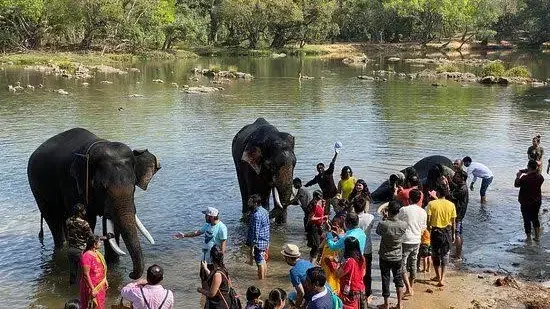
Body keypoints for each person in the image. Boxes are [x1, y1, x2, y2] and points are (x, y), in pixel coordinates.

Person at [174, 206, 228, 280]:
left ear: (211, 217)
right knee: (204, 278)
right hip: (205, 258)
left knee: (214, 280)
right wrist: (184, 235)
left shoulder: (222, 227)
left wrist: (220, 260)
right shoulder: (207, 225)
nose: (204, 217)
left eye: (206, 216)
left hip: (214, 260)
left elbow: (223, 244)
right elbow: (197, 233)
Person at [376, 201, 407, 309]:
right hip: (397, 256)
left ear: (388, 211)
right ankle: (400, 304)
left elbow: (378, 232)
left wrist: (385, 218)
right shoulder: (403, 224)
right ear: (398, 212)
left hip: (385, 256)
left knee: (385, 279)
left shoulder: (383, 224)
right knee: (398, 279)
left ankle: (386, 303)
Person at [397, 189, 426, 298]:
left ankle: (408, 288)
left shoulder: (404, 210)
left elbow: (397, 222)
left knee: (402, 264)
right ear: (419, 199)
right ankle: (411, 287)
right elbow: (424, 228)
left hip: (405, 240)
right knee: (413, 263)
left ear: (409, 198)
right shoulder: (423, 211)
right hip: (416, 240)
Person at [426, 185, 456, 287]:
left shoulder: (431, 204)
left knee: (435, 254)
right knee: (445, 255)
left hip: (435, 232)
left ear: (438, 193)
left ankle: (437, 276)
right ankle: (442, 279)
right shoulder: (451, 205)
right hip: (447, 231)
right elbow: (453, 221)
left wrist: (428, 230)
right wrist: (454, 234)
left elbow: (428, 221)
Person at [515, 160, 545, 242]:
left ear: (528, 167)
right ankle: (537, 237)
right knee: (535, 218)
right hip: (536, 201)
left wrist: (518, 176)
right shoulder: (540, 177)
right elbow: (533, 171)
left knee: (526, 219)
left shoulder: (525, 178)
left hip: (525, 201)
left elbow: (516, 185)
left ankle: (528, 238)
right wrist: (525, 171)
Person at [333, 237, 365, 309]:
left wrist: (337, 263)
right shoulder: (362, 258)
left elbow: (337, 275)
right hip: (360, 290)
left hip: (350, 293)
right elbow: (363, 273)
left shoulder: (349, 261)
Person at [353, 196, 374, 303]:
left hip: (355, 250)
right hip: (367, 248)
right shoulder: (370, 217)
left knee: (356, 273)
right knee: (368, 273)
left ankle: (358, 293)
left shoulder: (351, 217)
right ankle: (368, 294)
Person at [66, 203, 93, 284]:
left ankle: (71, 291)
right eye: (83, 211)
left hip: (70, 250)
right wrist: (106, 237)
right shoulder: (84, 223)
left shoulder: (68, 221)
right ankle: (84, 293)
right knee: (85, 274)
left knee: (73, 274)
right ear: (80, 212)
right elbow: (92, 237)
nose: (85, 212)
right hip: (81, 251)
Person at [245, 194, 270, 279]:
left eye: (250, 201)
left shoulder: (256, 215)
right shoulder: (264, 211)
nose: (248, 203)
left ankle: (261, 281)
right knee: (262, 260)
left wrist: (252, 246)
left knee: (259, 262)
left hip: (258, 242)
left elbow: (256, 231)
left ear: (255, 203)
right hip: (264, 240)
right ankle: (264, 278)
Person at [281, 243, 314, 308]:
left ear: (288, 258)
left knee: (290, 297)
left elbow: (301, 293)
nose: (284, 259)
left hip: (313, 297)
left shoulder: (293, 271)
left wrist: (296, 306)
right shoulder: (307, 262)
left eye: (284, 257)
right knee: (292, 295)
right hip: (323, 292)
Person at [80, 235, 108, 309]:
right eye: (99, 242)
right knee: (92, 305)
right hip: (92, 286)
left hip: (100, 284)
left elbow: (102, 268)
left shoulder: (97, 253)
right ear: (94, 244)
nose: (100, 243)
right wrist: (92, 289)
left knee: (100, 304)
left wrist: (105, 280)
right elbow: (86, 274)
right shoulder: (86, 256)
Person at [449, 169, 469, 259]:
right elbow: (455, 188)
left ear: (462, 178)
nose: (455, 178)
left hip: (458, 214)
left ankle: (457, 255)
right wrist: (450, 182)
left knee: (457, 233)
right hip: (459, 213)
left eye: (457, 176)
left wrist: (445, 186)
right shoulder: (461, 186)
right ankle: (458, 253)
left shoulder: (462, 189)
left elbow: (452, 196)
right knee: (459, 232)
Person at [306, 190, 329, 263]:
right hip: (313, 227)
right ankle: (312, 262)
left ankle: (314, 260)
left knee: (320, 243)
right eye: (320, 196)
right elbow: (311, 218)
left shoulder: (320, 202)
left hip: (319, 226)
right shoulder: (313, 204)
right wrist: (322, 218)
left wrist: (324, 206)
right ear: (316, 196)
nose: (321, 198)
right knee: (316, 245)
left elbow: (321, 213)